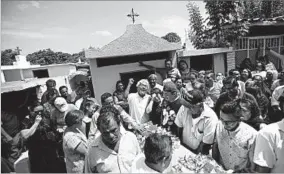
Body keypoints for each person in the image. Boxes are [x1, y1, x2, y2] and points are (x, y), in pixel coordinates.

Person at [84, 108, 140, 173]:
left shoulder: (130, 138)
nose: (111, 136)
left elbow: (140, 163)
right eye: (105, 133)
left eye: (113, 130)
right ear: (99, 131)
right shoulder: (92, 151)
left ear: (119, 125)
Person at [212, 100, 257, 173]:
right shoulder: (219, 125)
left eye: (228, 122)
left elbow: (253, 164)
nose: (224, 124)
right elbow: (215, 146)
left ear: (239, 119)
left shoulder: (251, 135)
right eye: (222, 119)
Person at [22, 103, 65, 173]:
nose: (39, 113)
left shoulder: (46, 117)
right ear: (31, 111)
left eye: (41, 111)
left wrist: (57, 132)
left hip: (50, 149)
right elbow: (25, 135)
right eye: (37, 112)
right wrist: (36, 123)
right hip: (36, 151)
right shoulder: (27, 120)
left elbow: (52, 129)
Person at [175, 89, 218, 155]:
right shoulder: (184, 108)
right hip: (183, 147)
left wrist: (195, 156)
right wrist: (180, 146)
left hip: (197, 153)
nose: (188, 109)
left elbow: (205, 145)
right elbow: (179, 127)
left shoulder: (211, 118)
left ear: (200, 105)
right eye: (187, 106)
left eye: (191, 107)